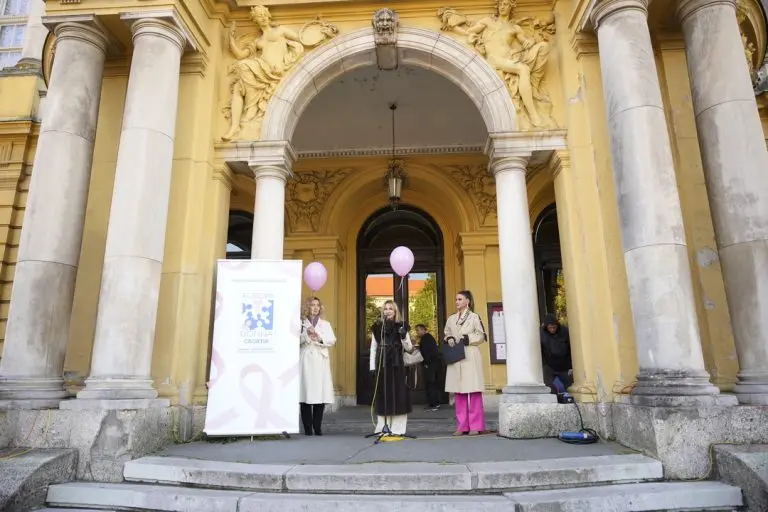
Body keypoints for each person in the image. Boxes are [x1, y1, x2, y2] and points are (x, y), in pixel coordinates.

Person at [444, 290, 487, 436]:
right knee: (459, 391)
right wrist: (449, 338)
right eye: (456, 299)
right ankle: (462, 426)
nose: (457, 302)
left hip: (470, 354)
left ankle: (476, 425)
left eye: (460, 299)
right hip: (456, 355)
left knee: (473, 391)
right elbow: (446, 332)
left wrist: (467, 338)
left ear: (467, 301)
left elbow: (481, 335)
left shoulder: (474, 317)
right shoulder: (451, 319)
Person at [369, 300, 413, 435]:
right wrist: (372, 366)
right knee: (383, 396)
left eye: (391, 309)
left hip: (397, 364)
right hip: (382, 364)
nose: (388, 311)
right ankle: (383, 427)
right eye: (385, 308)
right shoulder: (378, 327)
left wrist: (404, 336)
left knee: (398, 395)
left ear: (395, 312)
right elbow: (373, 348)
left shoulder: (401, 326)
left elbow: (409, 348)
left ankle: (398, 428)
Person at [299, 297, 336, 436]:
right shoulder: (301, 323)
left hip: (320, 360)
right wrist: (306, 335)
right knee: (306, 394)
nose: (315, 308)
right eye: (312, 305)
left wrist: (319, 338)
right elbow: (294, 341)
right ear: (307, 307)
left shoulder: (325, 324)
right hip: (306, 360)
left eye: (317, 305)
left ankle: (317, 427)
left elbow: (332, 340)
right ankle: (308, 428)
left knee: (320, 394)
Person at [540, 313, 573, 394]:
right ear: (546, 327)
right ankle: (555, 397)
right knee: (547, 386)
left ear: (557, 325)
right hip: (549, 365)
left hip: (564, 366)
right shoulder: (541, 334)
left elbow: (571, 348)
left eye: (554, 327)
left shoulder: (565, 332)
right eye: (550, 328)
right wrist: (544, 364)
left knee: (570, 386)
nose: (552, 330)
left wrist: (571, 366)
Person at [415, 324, 441, 411]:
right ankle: (436, 403)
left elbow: (426, 352)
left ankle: (433, 405)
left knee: (430, 384)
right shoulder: (429, 337)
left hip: (430, 365)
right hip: (434, 364)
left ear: (423, 330)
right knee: (433, 384)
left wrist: (426, 363)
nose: (417, 332)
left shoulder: (425, 338)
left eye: (418, 330)